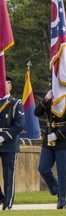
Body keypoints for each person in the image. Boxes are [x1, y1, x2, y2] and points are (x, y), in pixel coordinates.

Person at [36, 88, 66, 209]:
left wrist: (57, 134)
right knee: (43, 168)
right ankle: (58, 190)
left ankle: (63, 201)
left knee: (62, 172)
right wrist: (45, 99)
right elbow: (36, 112)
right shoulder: (50, 100)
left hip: (63, 140)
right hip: (49, 139)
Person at [0, 76, 25, 211]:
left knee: (8, 175)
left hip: (8, 143)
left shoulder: (15, 103)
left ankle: (7, 204)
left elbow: (20, 124)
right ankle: (1, 197)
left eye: (5, 85)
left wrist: (4, 137)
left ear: (10, 87)